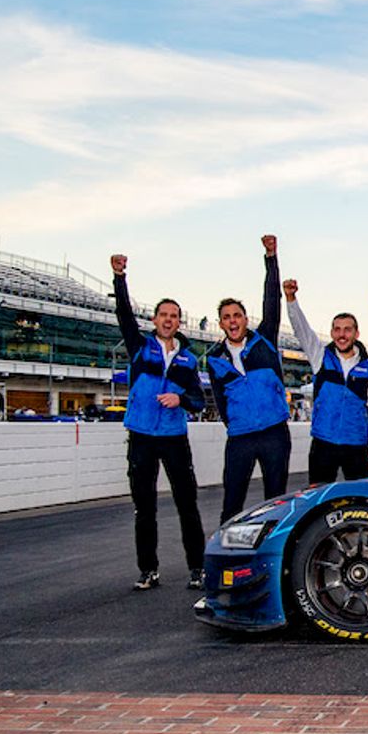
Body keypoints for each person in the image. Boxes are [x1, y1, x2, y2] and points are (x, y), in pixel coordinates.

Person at [110, 254, 206, 591]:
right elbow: (123, 314)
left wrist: (180, 399)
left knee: (187, 504)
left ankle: (198, 568)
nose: (168, 320)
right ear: (154, 319)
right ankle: (148, 570)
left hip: (174, 436)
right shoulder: (140, 347)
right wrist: (119, 278)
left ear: (180, 322)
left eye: (174, 316)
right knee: (144, 506)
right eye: (163, 315)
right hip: (141, 436)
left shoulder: (189, 359)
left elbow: (198, 400)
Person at [205, 235, 291, 524]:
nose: (233, 321)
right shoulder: (214, 357)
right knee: (232, 502)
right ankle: (227, 558)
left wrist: (271, 258)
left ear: (245, 319)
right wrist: (238, 424)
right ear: (221, 323)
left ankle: (275, 559)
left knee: (276, 501)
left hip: (274, 433)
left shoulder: (265, 339)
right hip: (240, 437)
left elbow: (272, 299)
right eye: (227, 317)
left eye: (237, 315)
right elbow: (219, 400)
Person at [283, 277, 368, 483]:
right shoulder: (320, 357)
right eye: (337, 329)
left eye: (347, 329)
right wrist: (291, 299)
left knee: (357, 499)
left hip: (356, 446)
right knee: (318, 500)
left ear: (356, 333)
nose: (342, 335)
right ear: (332, 332)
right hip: (323, 443)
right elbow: (301, 329)